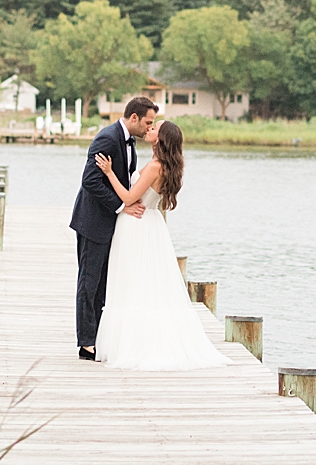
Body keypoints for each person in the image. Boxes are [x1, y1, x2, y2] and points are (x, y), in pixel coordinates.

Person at [92, 120, 226, 371]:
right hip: (152, 223)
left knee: (132, 282)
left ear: (160, 138)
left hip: (136, 223)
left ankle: (134, 345)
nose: (150, 129)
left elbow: (131, 198)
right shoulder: (169, 167)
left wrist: (109, 173)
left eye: (155, 128)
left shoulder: (155, 167)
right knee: (147, 282)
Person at [70, 97, 158, 361]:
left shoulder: (129, 143)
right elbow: (90, 181)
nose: (148, 128)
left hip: (112, 225)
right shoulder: (107, 139)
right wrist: (121, 206)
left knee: (103, 285)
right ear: (134, 118)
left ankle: (99, 338)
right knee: (89, 283)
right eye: (147, 122)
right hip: (93, 221)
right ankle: (86, 343)